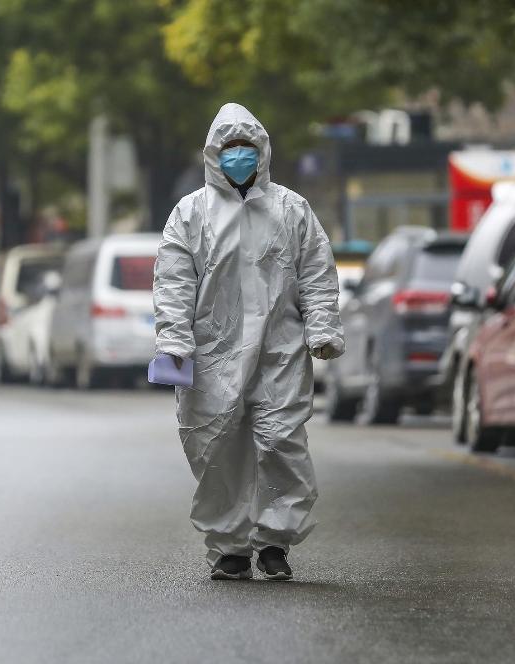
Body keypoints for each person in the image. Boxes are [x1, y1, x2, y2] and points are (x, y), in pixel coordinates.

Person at [152, 103, 344, 581]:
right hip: (213, 351)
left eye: (247, 149)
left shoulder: (291, 209)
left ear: (263, 152)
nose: (239, 157)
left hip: (279, 350)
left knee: (281, 442)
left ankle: (274, 542)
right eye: (230, 149)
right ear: (214, 155)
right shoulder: (191, 213)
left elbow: (316, 274)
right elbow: (173, 282)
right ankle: (231, 547)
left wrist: (321, 328)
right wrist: (174, 341)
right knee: (217, 447)